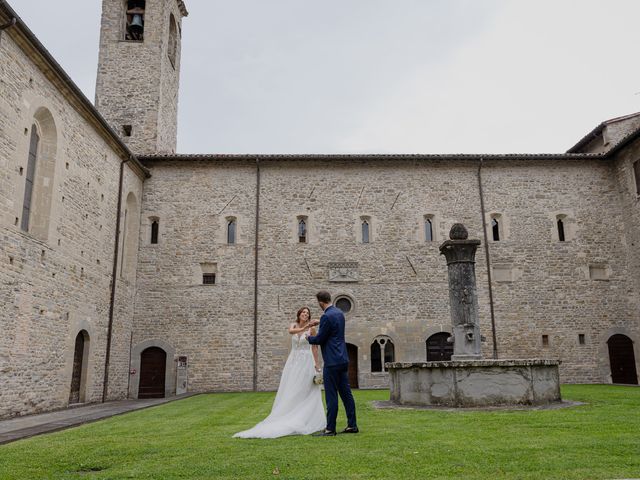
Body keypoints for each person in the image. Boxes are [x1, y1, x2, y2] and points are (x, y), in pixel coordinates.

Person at [233, 306, 326, 438]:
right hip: (294, 361)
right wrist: (305, 327)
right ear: (299, 314)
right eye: (303, 312)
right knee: (292, 386)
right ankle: (290, 413)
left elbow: (315, 347)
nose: (305, 314)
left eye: (307, 313)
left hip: (306, 360)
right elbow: (291, 332)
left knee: (306, 387)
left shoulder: (312, 329)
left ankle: (306, 416)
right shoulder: (293, 325)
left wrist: (317, 364)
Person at [307, 291, 358, 436]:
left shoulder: (326, 316)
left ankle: (330, 429)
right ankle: (352, 425)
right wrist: (320, 321)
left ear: (321, 302)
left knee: (331, 396)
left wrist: (308, 338)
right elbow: (332, 328)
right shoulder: (339, 313)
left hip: (332, 361)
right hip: (343, 359)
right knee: (346, 394)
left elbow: (320, 339)